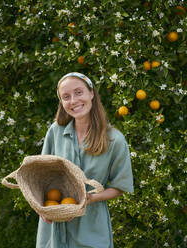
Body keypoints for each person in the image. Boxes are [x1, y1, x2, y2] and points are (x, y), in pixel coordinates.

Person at [36, 72, 134, 248]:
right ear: (62, 103)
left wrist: (91, 198)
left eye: (78, 92)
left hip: (91, 227)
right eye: (66, 97)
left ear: (91, 93)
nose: (73, 101)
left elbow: (120, 186)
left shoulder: (114, 140)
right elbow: (40, 176)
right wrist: (41, 207)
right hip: (53, 227)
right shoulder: (55, 132)